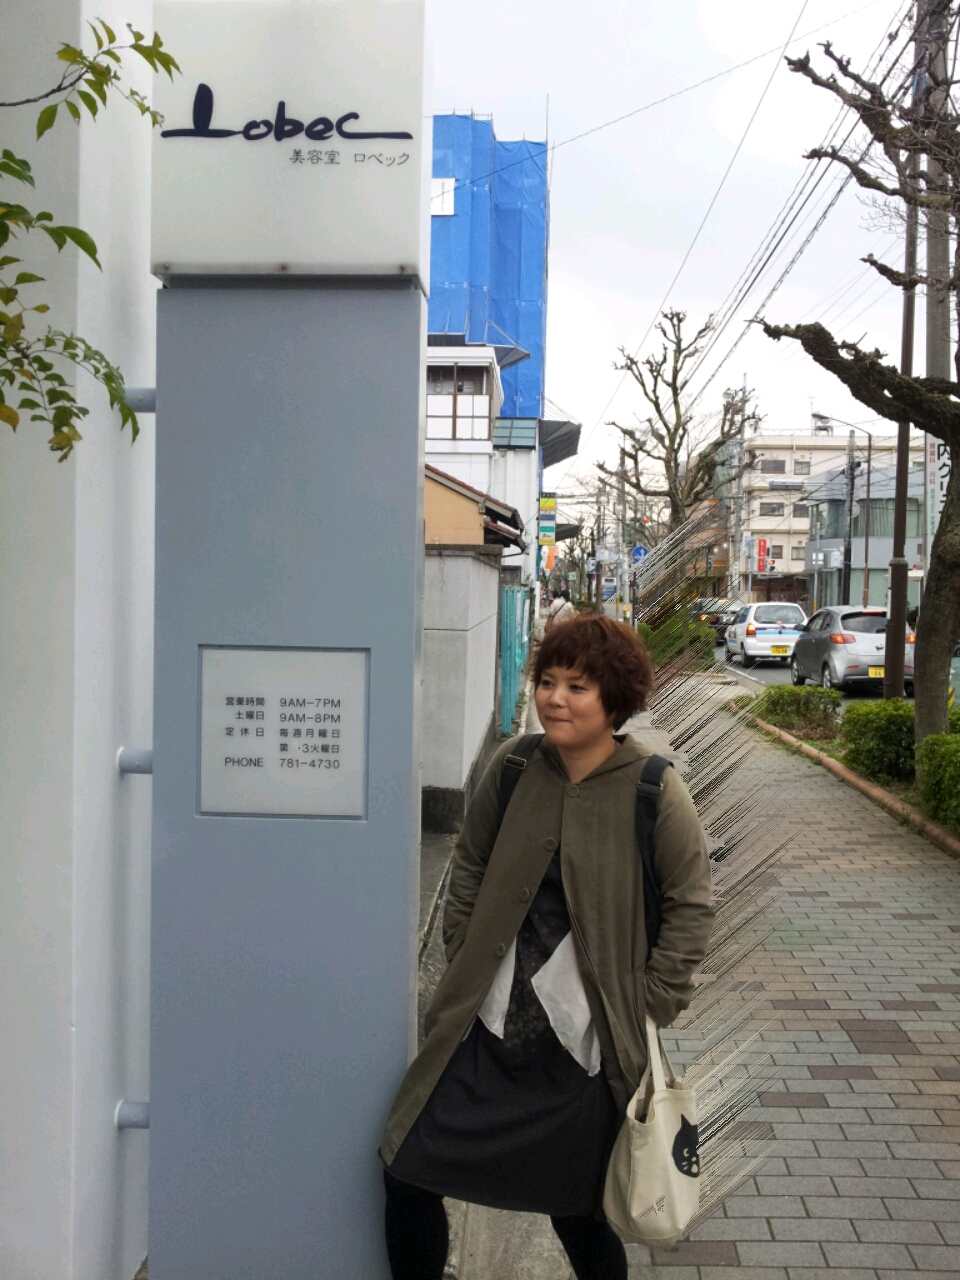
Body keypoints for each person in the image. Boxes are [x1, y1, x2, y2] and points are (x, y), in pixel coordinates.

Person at [379, 614, 714, 1280]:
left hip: (584, 1051)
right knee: (406, 1168)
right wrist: (461, 943)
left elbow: (691, 904)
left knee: (582, 1214)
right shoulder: (514, 766)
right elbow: (470, 860)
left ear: (614, 701)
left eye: (577, 687)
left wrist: (651, 1001)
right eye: (548, 682)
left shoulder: (653, 789)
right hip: (485, 1034)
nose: (554, 698)